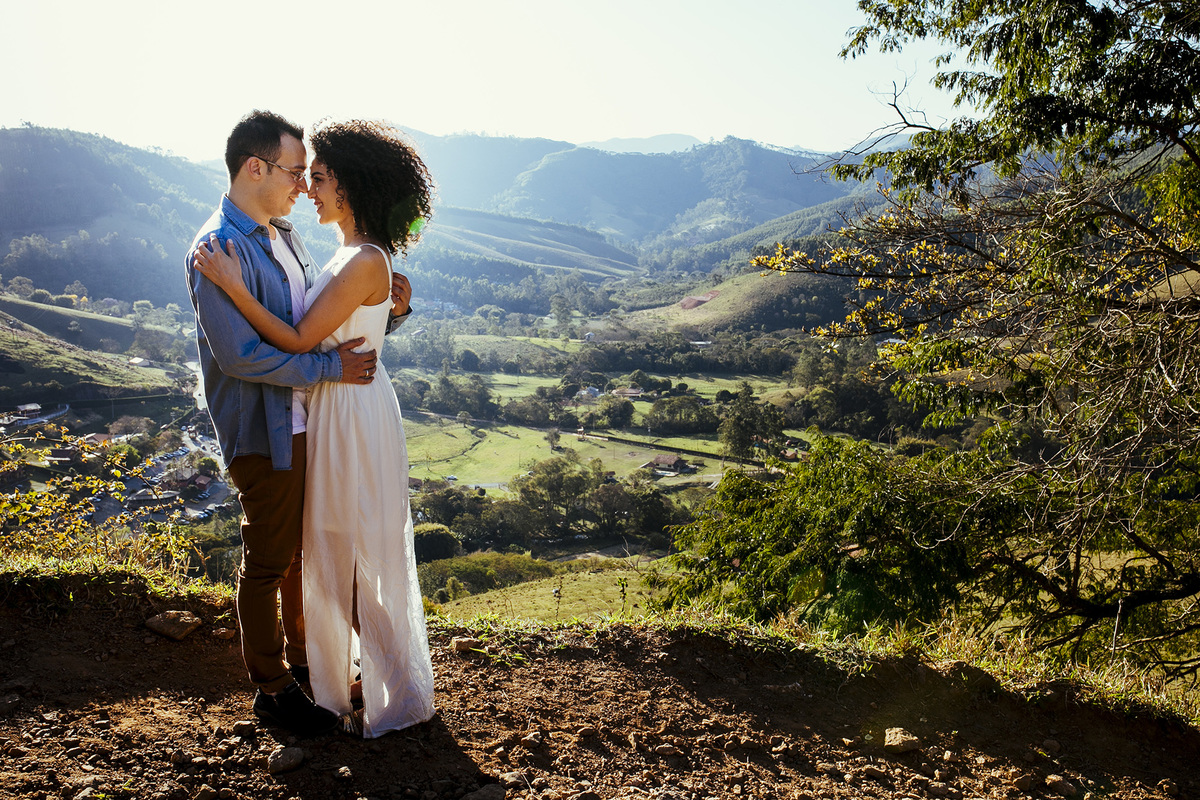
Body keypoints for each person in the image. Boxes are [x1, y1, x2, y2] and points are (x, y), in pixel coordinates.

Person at [193, 118, 436, 738]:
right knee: (273, 558)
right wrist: (332, 361)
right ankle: (274, 689)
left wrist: (387, 309)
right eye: (296, 172)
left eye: (315, 175)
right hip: (269, 424)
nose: (304, 186)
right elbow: (242, 355)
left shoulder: (292, 238)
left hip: (325, 418)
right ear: (256, 168)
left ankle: (318, 670)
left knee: (322, 552)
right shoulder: (220, 250)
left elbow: (331, 321)